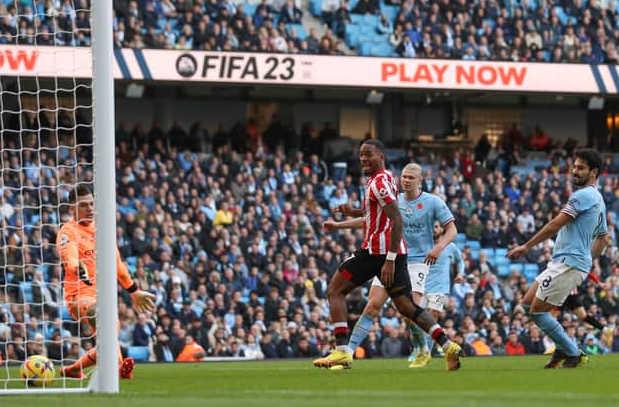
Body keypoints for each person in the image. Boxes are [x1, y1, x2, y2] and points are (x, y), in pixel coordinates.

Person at [312, 142, 462, 371]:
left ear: (381, 156)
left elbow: (396, 220)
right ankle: (447, 345)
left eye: (368, 155)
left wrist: (393, 258)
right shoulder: (385, 181)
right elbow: (374, 213)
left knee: (335, 290)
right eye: (361, 155)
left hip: (383, 253)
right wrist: (345, 219)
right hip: (396, 253)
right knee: (404, 307)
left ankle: (343, 351)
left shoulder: (390, 186)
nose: (363, 159)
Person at [507, 149, 608, 369]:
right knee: (525, 306)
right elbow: (603, 238)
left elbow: (555, 224)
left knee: (537, 311)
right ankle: (563, 348)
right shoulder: (599, 200)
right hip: (567, 262)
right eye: (574, 166)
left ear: (594, 172)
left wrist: (526, 245)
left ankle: (572, 352)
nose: (574, 171)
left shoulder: (583, 196)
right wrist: (588, 260)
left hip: (568, 263)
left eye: (581, 167)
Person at [57, 185, 156, 378]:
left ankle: (71, 370)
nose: (90, 209)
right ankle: (120, 369)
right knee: (99, 314)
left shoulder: (102, 229)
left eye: (92, 204)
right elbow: (70, 258)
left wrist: (134, 291)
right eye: (84, 205)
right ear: (71, 208)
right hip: (79, 297)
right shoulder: (68, 231)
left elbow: (116, 263)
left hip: (104, 296)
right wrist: (78, 267)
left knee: (108, 340)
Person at [408, 221, 465, 367]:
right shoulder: (422, 246)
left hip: (439, 288)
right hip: (421, 287)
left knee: (432, 319)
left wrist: (460, 273)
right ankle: (419, 349)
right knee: (414, 320)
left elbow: (460, 261)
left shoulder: (450, 247)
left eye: (436, 226)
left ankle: (427, 353)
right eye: (431, 226)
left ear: (442, 229)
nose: (433, 229)